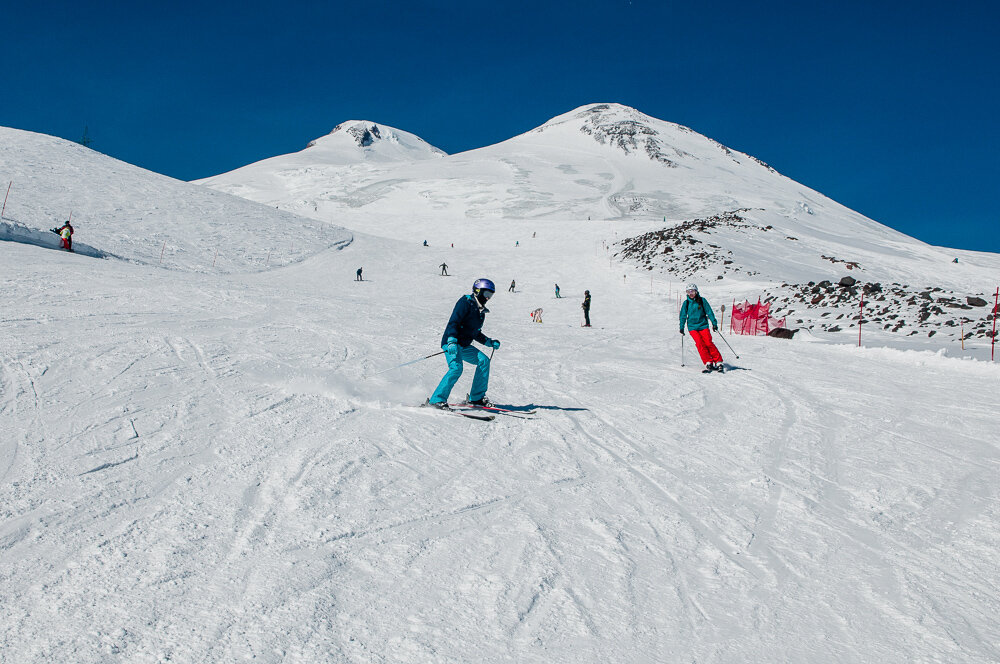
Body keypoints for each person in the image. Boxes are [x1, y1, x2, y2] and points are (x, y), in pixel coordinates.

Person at [428, 279, 501, 409]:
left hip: (464, 346)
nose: (488, 298)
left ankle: (476, 398)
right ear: (478, 291)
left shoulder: (481, 312)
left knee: (484, 361)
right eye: (486, 294)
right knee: (456, 368)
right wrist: (451, 340)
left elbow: (475, 333)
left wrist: (488, 342)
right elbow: (454, 321)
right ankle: (436, 400)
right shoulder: (465, 302)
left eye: (490, 295)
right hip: (452, 343)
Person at [679, 283, 724, 372]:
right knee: (700, 343)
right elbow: (683, 315)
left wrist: (714, 323)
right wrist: (681, 327)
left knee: (708, 342)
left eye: (692, 291)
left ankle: (718, 361)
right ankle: (708, 362)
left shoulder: (702, 301)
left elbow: (709, 312)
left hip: (703, 325)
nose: (690, 293)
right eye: (688, 292)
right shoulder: (686, 303)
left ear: (696, 291)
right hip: (692, 327)